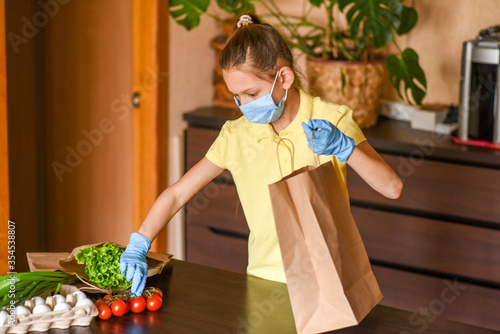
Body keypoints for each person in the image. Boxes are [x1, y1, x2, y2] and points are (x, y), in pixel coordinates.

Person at [119, 13, 403, 296]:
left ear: (285, 77)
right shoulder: (236, 135)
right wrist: (140, 242)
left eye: (252, 93)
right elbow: (177, 194)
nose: (244, 106)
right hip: (263, 285)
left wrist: (345, 147)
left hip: (330, 284)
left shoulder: (331, 120)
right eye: (237, 96)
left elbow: (392, 188)